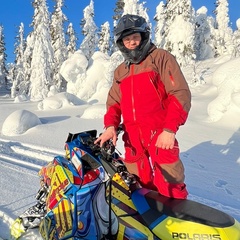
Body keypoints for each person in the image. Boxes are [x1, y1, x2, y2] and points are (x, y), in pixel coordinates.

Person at [94, 14, 191, 199]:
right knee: (137, 185)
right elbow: (114, 102)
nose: (132, 43)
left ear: (144, 36)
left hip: (159, 134)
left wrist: (169, 129)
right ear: (121, 42)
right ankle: (145, 223)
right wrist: (110, 126)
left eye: (135, 37)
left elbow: (180, 93)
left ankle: (175, 221)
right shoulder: (121, 71)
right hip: (133, 138)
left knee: (170, 183)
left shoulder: (160, 58)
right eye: (127, 39)